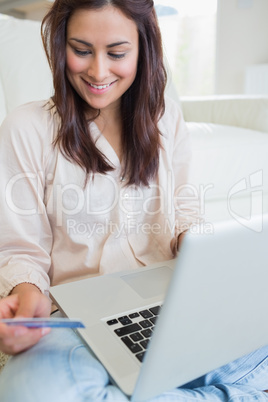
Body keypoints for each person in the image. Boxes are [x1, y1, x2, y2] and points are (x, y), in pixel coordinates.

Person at [0, 0, 267, 400]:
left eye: (117, 53)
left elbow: (184, 210)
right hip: (78, 320)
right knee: (31, 391)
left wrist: (195, 246)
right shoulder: (28, 126)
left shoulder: (166, 118)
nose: (98, 71)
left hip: (171, 303)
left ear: (144, 48)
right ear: (60, 45)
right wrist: (25, 295)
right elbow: (23, 248)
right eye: (82, 50)